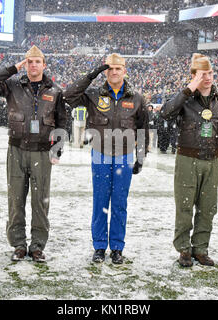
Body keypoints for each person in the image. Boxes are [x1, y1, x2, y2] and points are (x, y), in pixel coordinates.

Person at [0, 46, 67, 263]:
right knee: (15, 199)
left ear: (44, 64)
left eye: (37, 61)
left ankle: (37, 245)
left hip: (42, 152)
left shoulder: (55, 91)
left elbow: (62, 122)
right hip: (17, 149)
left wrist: (57, 149)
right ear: (24, 64)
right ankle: (18, 244)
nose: (33, 65)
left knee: (40, 201)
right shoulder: (12, 85)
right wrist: (13, 68)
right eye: (29, 61)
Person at [64, 53, 149, 264]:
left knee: (120, 203)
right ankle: (100, 246)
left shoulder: (137, 99)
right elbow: (69, 95)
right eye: (109, 69)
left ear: (124, 71)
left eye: (117, 69)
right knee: (100, 201)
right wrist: (92, 74)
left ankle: (117, 248)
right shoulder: (93, 94)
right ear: (105, 71)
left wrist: (140, 157)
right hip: (100, 154)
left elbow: (143, 130)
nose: (113, 72)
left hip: (125, 156)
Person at [160, 53, 218, 267]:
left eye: (210, 73)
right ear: (193, 75)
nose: (208, 77)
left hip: (212, 160)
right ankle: (183, 249)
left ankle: (201, 248)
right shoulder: (185, 98)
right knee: (184, 205)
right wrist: (189, 88)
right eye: (202, 74)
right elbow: (165, 113)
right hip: (187, 157)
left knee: (208, 207)